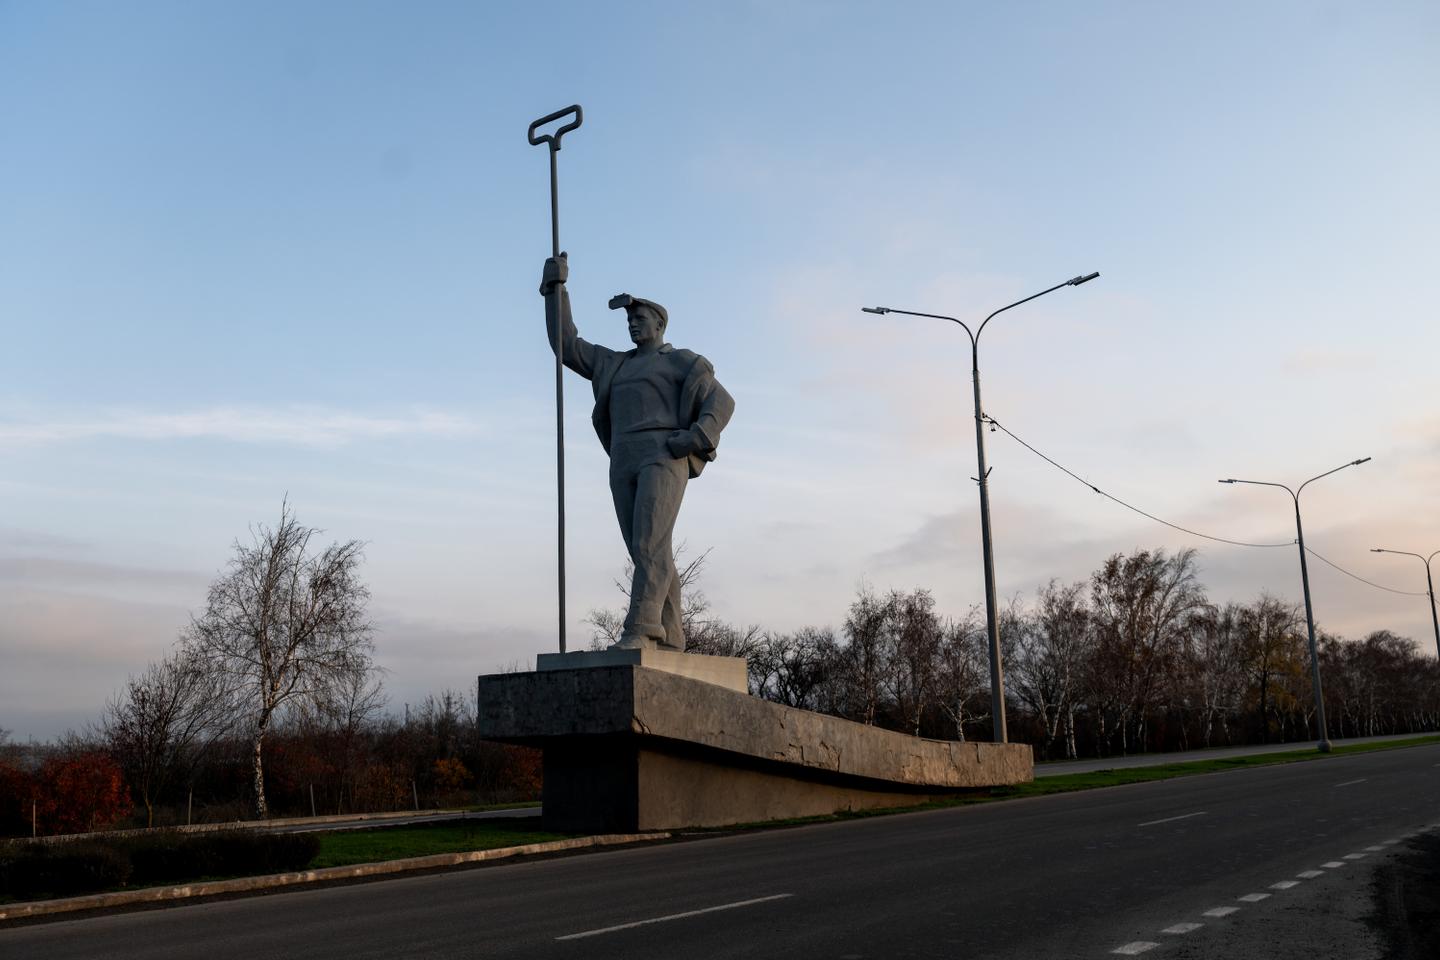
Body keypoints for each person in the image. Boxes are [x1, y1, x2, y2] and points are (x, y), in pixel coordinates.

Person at [540, 254, 735, 651]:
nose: (632, 324)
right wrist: (554, 290)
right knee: (648, 547)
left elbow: (722, 401)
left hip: (662, 453)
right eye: (629, 320)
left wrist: (696, 436)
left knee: (648, 541)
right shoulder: (613, 364)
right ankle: (672, 633)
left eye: (639, 318)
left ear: (660, 324)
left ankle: (642, 628)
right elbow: (566, 345)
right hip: (623, 455)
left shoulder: (680, 360)